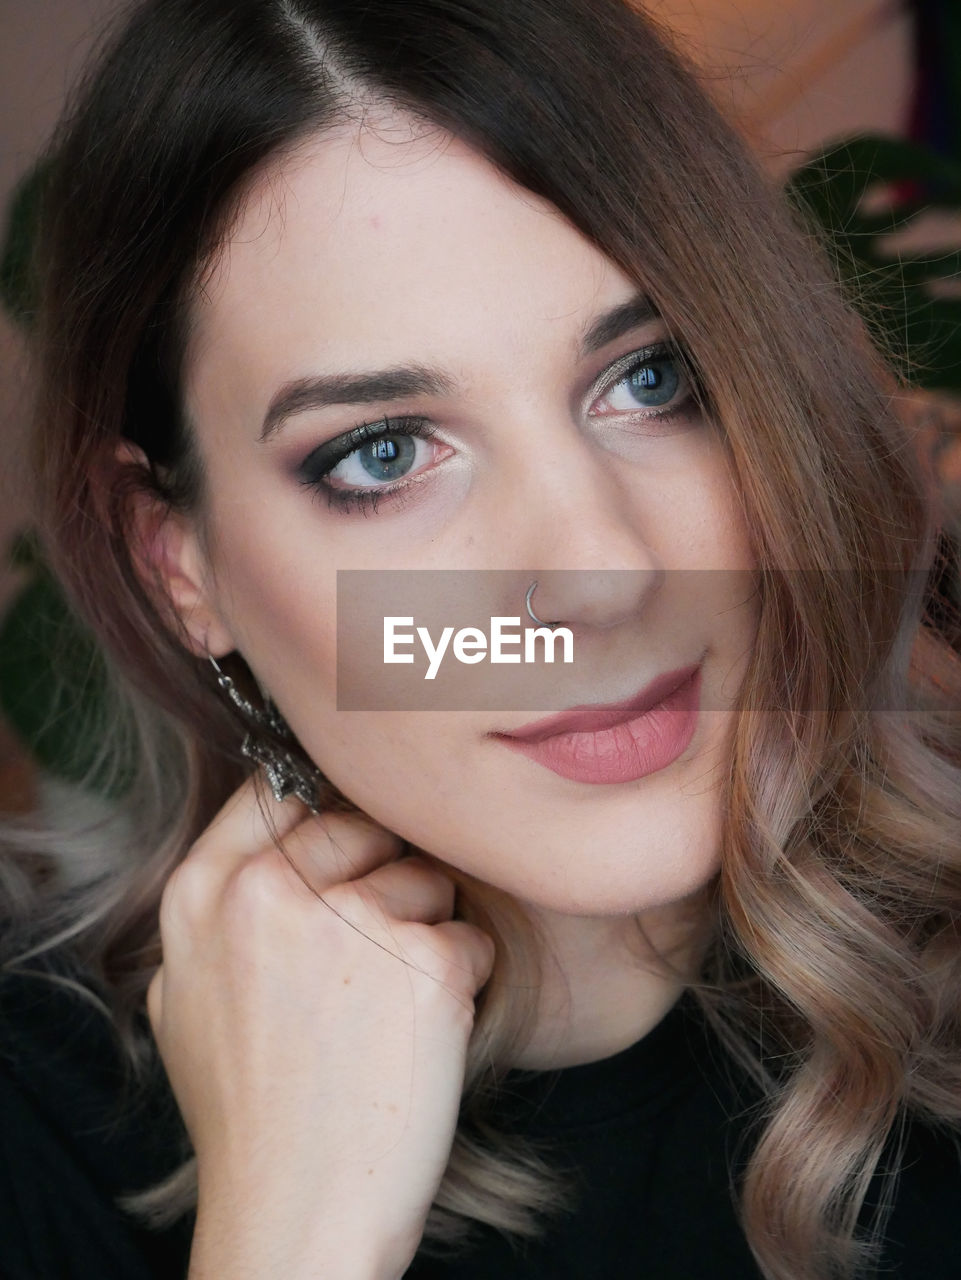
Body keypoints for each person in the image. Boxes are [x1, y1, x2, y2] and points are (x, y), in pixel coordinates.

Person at [1, 0, 960, 1277]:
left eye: (653, 377)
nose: (602, 570)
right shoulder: (31, 1126)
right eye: (382, 453)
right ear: (181, 566)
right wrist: (291, 1238)